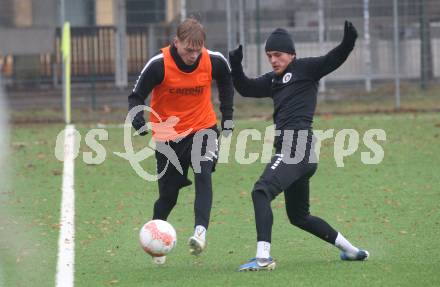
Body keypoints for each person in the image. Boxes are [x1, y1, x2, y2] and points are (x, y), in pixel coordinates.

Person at [228, 21, 369, 271]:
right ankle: (352, 251)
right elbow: (246, 87)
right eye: (269, 55)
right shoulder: (273, 80)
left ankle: (262, 258)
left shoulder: (305, 68)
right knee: (299, 217)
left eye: (278, 55)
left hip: (296, 150)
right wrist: (236, 66)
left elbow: (332, 59)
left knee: (261, 191)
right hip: (302, 155)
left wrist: (348, 43)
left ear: (291, 54)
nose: (273, 60)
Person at [128, 18, 234, 264]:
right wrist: (138, 120)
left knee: (203, 172)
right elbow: (136, 96)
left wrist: (227, 116)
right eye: (188, 49)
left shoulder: (213, 60)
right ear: (176, 42)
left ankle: (200, 232)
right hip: (168, 138)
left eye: (198, 50)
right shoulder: (159, 64)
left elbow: (227, 81)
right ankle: (157, 241)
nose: (193, 55)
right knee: (168, 196)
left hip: (203, 129)